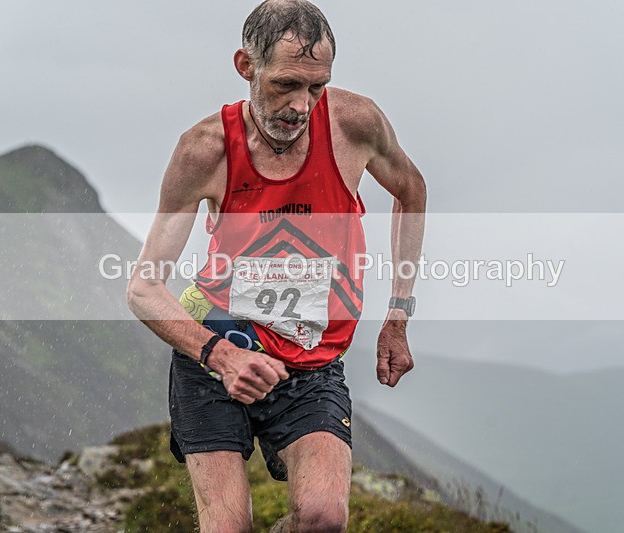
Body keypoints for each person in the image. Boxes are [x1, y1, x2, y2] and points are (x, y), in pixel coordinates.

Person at [126, 0, 426, 530]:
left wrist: (398, 315)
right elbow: (143, 288)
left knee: (322, 519)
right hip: (216, 355)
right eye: (285, 83)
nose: (300, 104)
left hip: (311, 361)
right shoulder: (204, 150)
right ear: (247, 66)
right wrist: (220, 357)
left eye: (316, 86)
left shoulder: (355, 125)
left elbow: (412, 190)